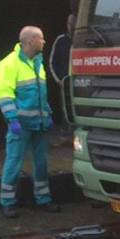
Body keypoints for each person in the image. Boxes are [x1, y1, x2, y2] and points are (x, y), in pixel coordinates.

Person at [0, 26, 58, 219]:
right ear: (30, 41)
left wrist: (47, 114)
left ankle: (43, 199)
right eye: (41, 39)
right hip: (20, 125)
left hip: (38, 123)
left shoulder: (38, 63)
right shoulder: (8, 63)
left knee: (41, 163)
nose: (44, 42)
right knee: (14, 162)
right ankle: (7, 203)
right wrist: (13, 120)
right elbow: (3, 94)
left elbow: (41, 94)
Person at [47, 14, 75, 143]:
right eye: (70, 24)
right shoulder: (61, 40)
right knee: (65, 109)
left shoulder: (83, 40)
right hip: (64, 82)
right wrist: (59, 79)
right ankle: (65, 135)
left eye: (74, 24)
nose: (72, 27)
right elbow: (52, 61)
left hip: (81, 82)